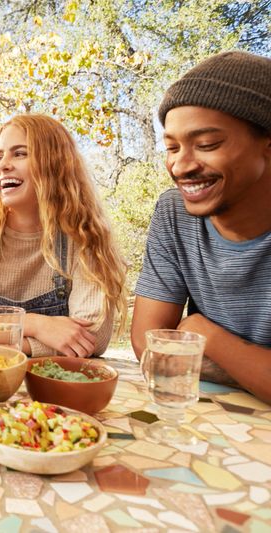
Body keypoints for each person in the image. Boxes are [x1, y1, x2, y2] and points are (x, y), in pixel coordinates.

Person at [131, 51, 271, 404]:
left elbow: (176, 346)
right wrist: (253, 370)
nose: (181, 165)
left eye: (206, 145)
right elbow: (149, 346)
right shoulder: (174, 213)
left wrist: (202, 333)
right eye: (172, 147)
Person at [0, 114, 127, 358]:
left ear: (56, 164)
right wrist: (36, 324)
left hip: (57, 385)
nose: (3, 165)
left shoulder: (86, 237)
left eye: (20, 153)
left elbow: (91, 337)